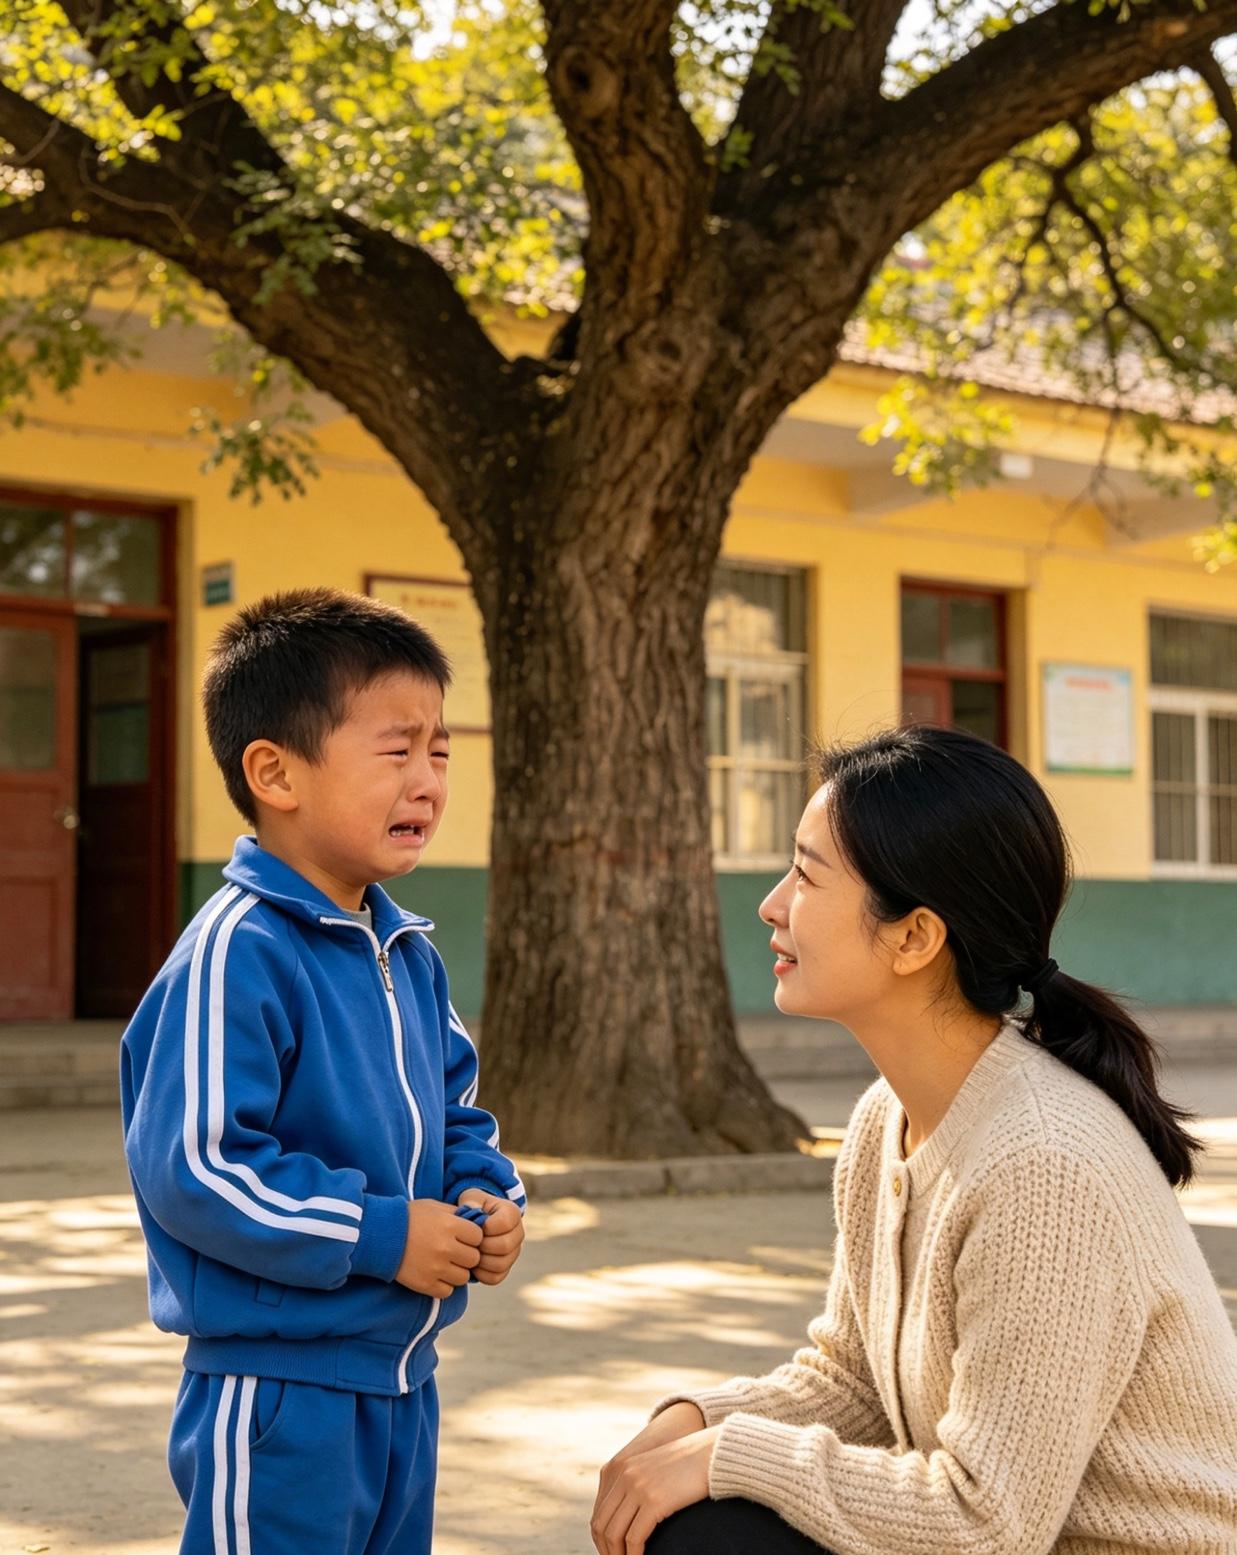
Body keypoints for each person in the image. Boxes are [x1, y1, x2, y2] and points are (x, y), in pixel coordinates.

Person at [592, 726, 1237, 1555]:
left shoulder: (1042, 1162)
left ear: (913, 937)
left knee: (709, 1530)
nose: (772, 903)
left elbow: (984, 1522)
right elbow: (854, 1384)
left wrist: (729, 1454)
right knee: (691, 1512)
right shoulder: (884, 1119)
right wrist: (695, 1422)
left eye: (805, 873)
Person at [121, 587, 526, 1555]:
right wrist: (383, 1233)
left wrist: (485, 1196)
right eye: (396, 750)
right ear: (275, 771)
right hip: (278, 1391)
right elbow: (198, 1166)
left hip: (398, 1378)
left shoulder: (405, 949)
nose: (427, 779)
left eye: (440, 750)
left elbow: (454, 1107)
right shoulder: (237, 950)